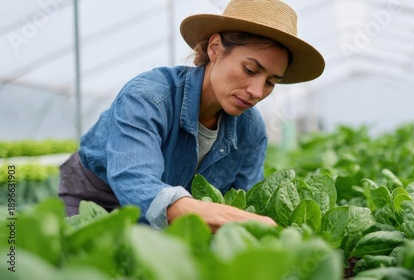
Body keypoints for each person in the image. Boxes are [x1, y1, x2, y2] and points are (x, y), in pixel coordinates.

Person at [58, 0, 325, 232]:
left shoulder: (251, 130)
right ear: (215, 48)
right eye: (250, 70)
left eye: (271, 82)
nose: (257, 91)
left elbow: (246, 201)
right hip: (95, 201)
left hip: (175, 216)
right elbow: (134, 180)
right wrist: (223, 217)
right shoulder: (149, 97)